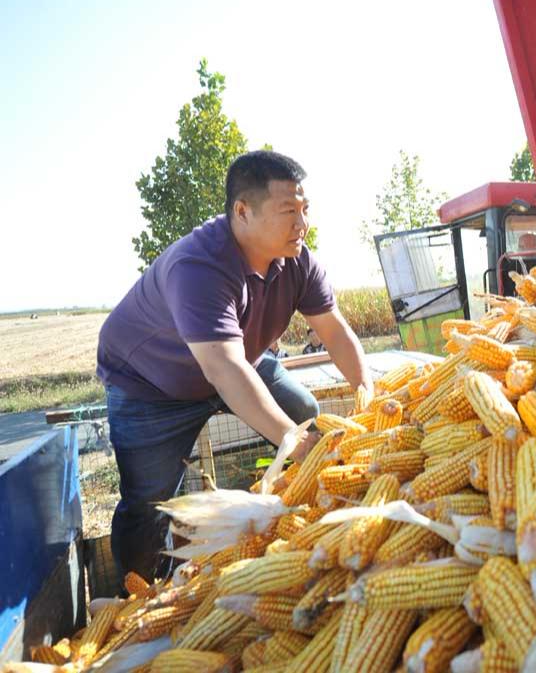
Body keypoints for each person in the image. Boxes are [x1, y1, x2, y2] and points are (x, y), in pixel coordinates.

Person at [96, 150, 372, 583]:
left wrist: (368, 395)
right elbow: (223, 370)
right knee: (147, 501)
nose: (302, 224)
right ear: (242, 212)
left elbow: (335, 332)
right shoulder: (199, 267)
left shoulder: (299, 260)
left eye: (305, 210)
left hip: (243, 360)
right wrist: (289, 441)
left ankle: (310, 529)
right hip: (150, 385)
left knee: (308, 417)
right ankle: (135, 593)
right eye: (288, 211)